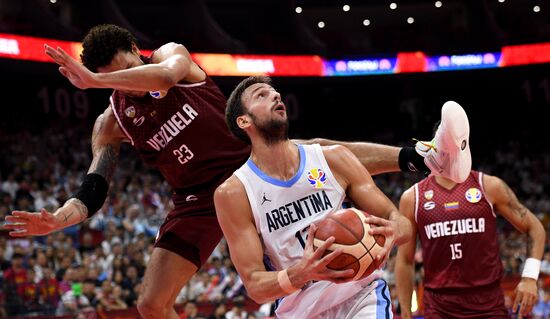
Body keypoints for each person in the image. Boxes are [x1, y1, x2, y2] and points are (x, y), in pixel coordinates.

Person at [3, 25, 469, 319]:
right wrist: (59, 219)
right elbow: (94, 185)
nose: (125, 85)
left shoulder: (170, 56)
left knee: (322, 152)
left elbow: (164, 78)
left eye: (124, 71)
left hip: (244, 161)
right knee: (150, 304)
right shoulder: (111, 122)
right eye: (111, 78)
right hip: (195, 200)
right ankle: (424, 154)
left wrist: (97, 80)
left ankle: (425, 154)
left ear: (135, 52)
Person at [214, 76, 469, 318]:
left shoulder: (333, 158)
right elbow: (255, 285)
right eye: (262, 95)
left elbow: (400, 223)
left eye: (275, 92)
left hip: (361, 295)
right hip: (300, 311)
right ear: (244, 121)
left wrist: (392, 231)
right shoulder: (234, 193)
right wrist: (300, 273)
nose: (275, 95)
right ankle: (426, 156)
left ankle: (425, 156)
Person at [395, 167, 546, 318]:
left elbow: (535, 228)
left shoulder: (489, 186)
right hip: (439, 308)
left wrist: (529, 277)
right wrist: (406, 313)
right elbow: (405, 260)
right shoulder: (412, 198)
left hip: (488, 306)